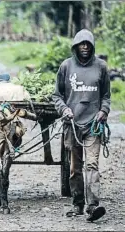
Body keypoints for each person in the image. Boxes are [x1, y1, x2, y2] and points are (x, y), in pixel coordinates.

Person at [52, 29, 111, 222]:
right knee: (75, 168)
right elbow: (57, 96)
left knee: (92, 164)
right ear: (76, 46)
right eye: (81, 44)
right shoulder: (66, 66)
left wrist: (103, 111)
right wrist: (64, 110)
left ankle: (92, 205)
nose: (84, 47)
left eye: (88, 44)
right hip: (73, 124)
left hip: (94, 125)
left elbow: (106, 96)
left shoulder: (101, 67)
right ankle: (77, 203)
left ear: (92, 46)